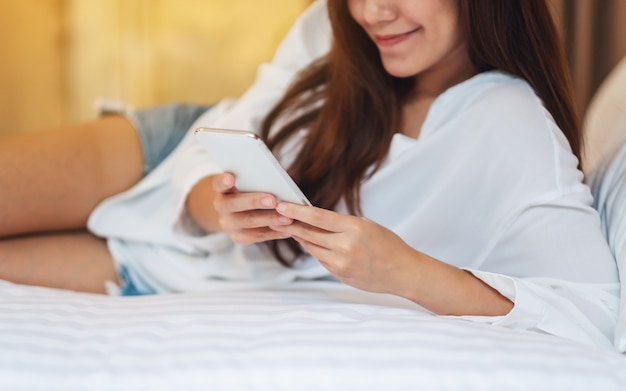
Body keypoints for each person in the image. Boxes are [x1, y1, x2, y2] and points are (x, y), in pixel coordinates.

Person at [0, 0, 619, 350]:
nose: (373, 12)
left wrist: (406, 272)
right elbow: (228, 131)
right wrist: (210, 206)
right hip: (163, 157)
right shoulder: (333, 27)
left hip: (176, 270)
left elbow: (597, 311)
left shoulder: (509, 122)